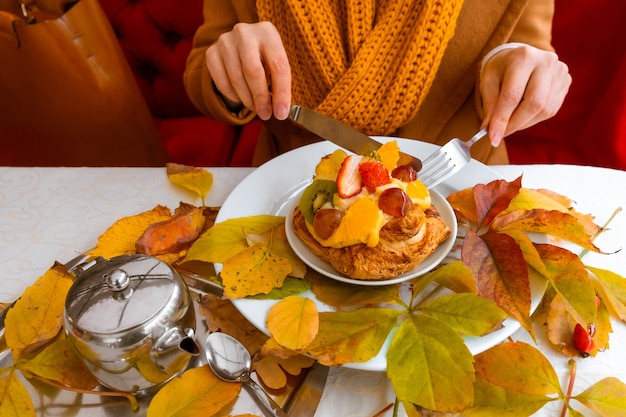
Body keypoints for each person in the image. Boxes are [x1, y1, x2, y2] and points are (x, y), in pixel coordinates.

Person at [184, 0, 571, 166]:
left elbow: (525, 47)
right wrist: (229, 72)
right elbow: (204, 70)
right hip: (289, 187)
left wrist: (518, 68)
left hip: (458, 186)